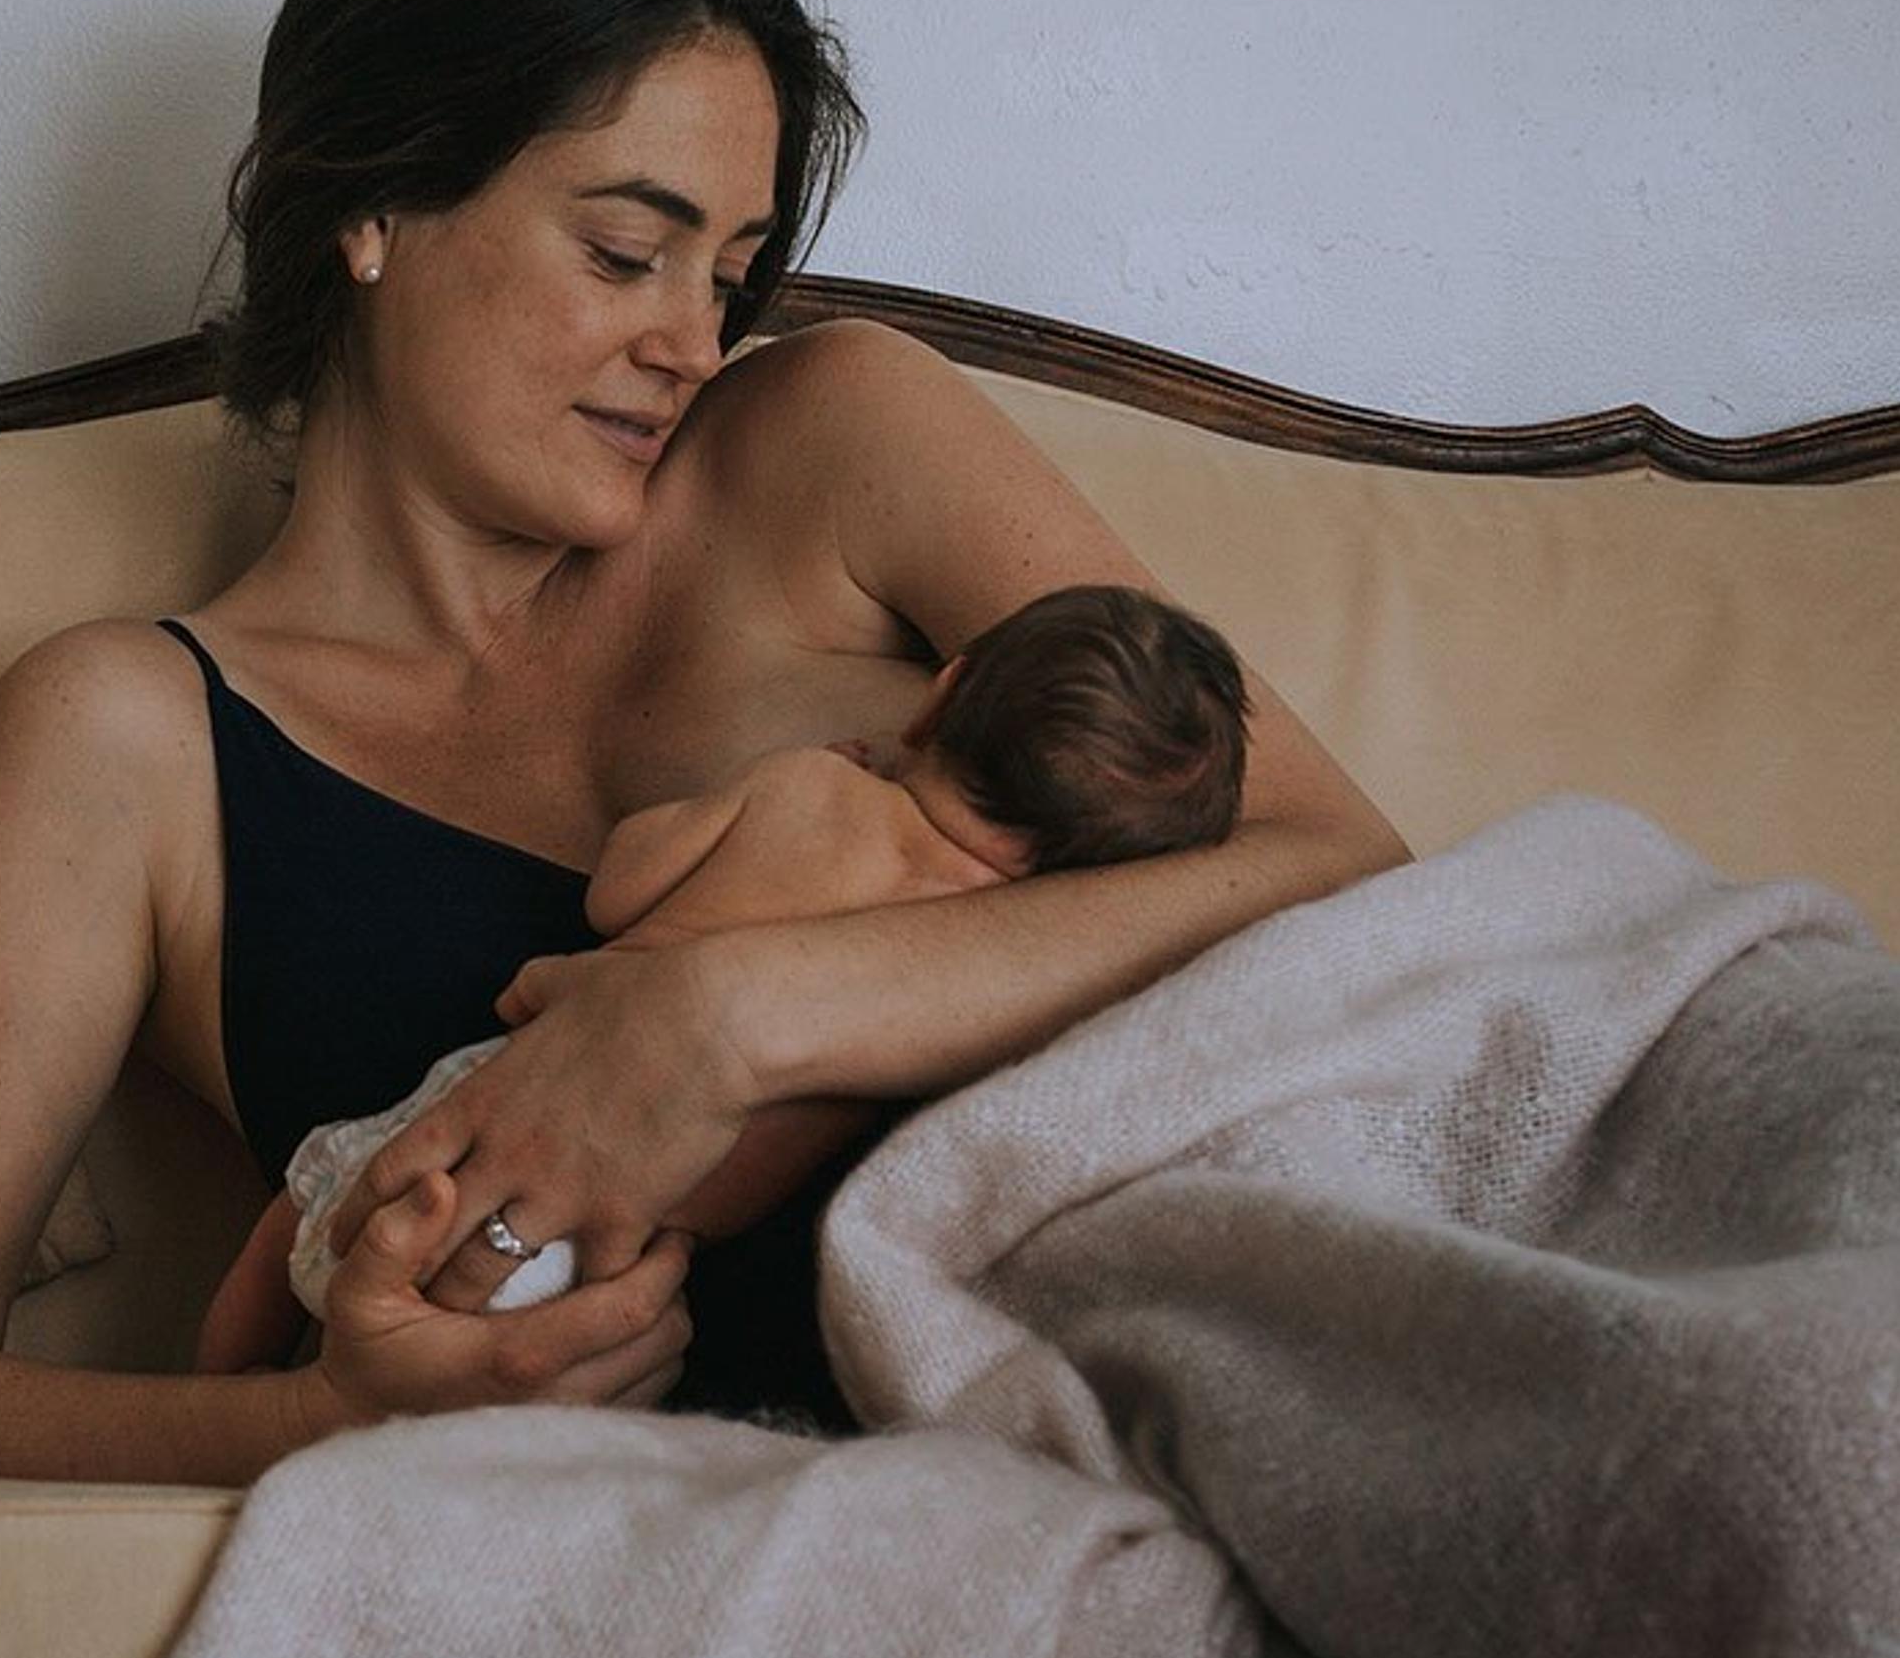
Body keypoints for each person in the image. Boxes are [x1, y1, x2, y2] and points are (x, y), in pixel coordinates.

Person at [0, 0, 1405, 1485]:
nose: (694, 339)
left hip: (1172, 1388)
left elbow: (1339, 865)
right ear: (375, 202)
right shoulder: (126, 736)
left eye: (732, 274)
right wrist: (312, 1421)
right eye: (624, 252)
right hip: (745, 1516)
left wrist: (728, 1018)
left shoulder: (832, 441)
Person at [197, 581, 1252, 1383]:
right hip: (630, 1260)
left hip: (521, 1111)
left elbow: (618, 892)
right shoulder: (988, 969)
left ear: (944, 694)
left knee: (299, 1219)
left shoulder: (812, 789)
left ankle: (223, 1388)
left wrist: (744, 795)